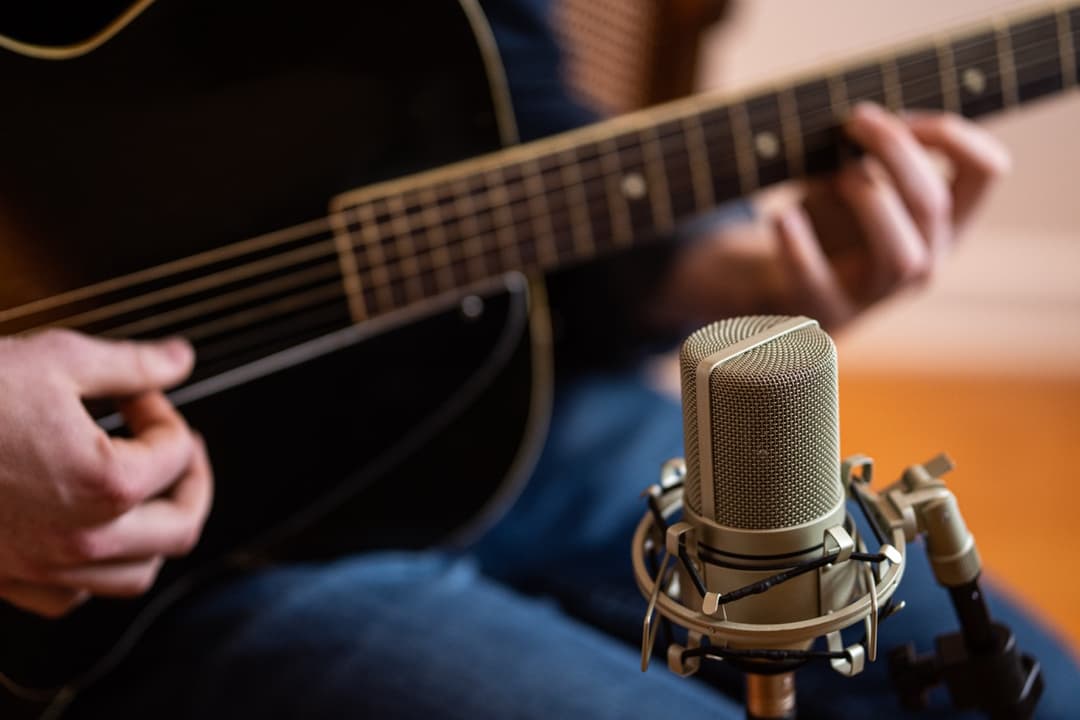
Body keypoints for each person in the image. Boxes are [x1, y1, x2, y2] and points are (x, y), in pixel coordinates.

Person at [0, 1, 1076, 718]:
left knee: (1034, 696)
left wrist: (734, 282)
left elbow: (502, 107)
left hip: (511, 401)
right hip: (165, 558)